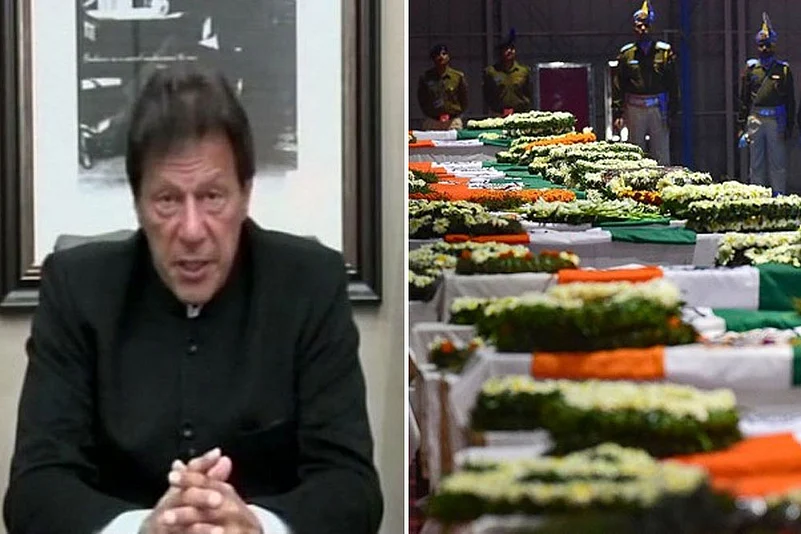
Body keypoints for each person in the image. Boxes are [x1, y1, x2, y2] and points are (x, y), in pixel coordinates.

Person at [3, 65, 383, 534]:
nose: (191, 230)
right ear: (138, 202)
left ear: (246, 194)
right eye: (167, 199)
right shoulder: (77, 288)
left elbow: (352, 488)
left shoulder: (310, 284)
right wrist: (143, 529)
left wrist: (258, 527)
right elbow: (35, 491)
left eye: (212, 197)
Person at [612, 0, 679, 165]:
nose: (643, 29)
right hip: (634, 108)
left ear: (652, 27)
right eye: (639, 26)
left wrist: (674, 110)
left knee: (661, 153)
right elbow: (618, 84)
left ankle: (664, 180)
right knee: (635, 152)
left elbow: (673, 83)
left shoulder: (664, 52)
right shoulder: (627, 54)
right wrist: (618, 113)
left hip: (658, 108)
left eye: (646, 25)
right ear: (634, 28)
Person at [737, 12, 794, 195]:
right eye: (761, 45)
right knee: (756, 164)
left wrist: (790, 126)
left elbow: (790, 100)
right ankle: (758, 198)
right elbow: (744, 99)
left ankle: (780, 198)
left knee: (778, 163)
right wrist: (742, 126)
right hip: (756, 120)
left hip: (776, 121)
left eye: (767, 45)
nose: (764, 49)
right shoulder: (751, 69)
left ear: (774, 46)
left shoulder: (783, 70)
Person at [417, 44, 469, 130]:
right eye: (437, 55)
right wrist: (430, 114)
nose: (441, 57)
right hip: (433, 121)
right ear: (433, 58)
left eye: (444, 54)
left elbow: (464, 99)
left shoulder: (457, 76)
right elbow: (422, 99)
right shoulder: (425, 78)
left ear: (448, 57)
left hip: (452, 121)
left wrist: (457, 113)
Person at [482, 30, 533, 117]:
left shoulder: (523, 71)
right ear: (500, 52)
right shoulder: (491, 72)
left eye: (512, 48)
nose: (510, 51)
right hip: (499, 114)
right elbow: (487, 94)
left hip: (520, 114)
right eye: (506, 49)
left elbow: (529, 93)